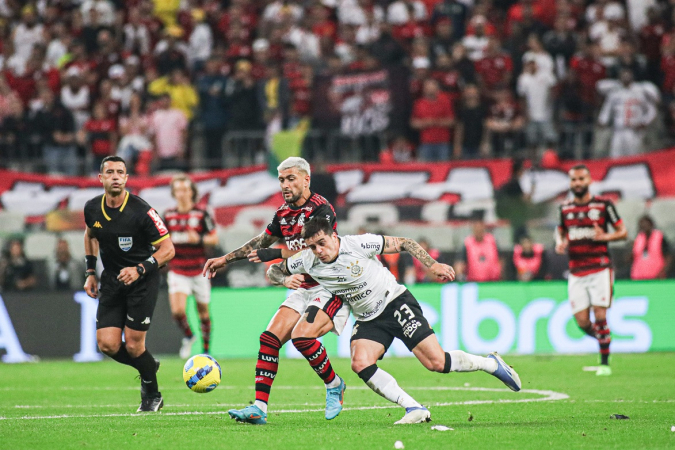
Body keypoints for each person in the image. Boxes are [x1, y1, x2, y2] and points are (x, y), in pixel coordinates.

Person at [263, 217, 521, 424]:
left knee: (436, 362)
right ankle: (413, 408)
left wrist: (432, 265)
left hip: (395, 302)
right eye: (312, 246)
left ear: (333, 236)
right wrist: (284, 280)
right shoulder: (307, 259)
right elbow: (274, 269)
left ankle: (490, 364)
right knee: (360, 362)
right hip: (367, 318)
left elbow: (405, 242)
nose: (318, 251)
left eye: (321, 243)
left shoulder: (357, 244)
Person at [203, 157, 350, 424]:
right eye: (281, 179)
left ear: (306, 179)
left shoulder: (322, 209)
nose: (285, 184)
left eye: (291, 178)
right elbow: (261, 241)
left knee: (301, 338)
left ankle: (334, 384)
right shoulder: (283, 213)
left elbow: (315, 251)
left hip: (330, 285)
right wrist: (225, 259)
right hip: (304, 285)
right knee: (269, 339)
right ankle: (259, 408)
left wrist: (273, 254)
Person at [83, 156, 175, 412]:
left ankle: (152, 395)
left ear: (126, 178)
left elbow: (168, 249)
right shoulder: (92, 208)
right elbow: (90, 235)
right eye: (109, 172)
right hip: (112, 280)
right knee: (107, 345)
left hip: (142, 281)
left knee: (135, 345)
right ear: (101, 178)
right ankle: (147, 364)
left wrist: (139, 269)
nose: (115, 176)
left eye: (120, 172)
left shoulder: (142, 211)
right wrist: (91, 271)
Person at [555, 165, 627, 376]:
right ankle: (605, 340)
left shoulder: (603, 205)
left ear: (589, 181)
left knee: (600, 315)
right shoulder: (565, 208)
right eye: (574, 180)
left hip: (599, 267)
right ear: (570, 183)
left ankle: (604, 362)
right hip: (576, 271)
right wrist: (561, 243)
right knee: (583, 322)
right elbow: (561, 232)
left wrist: (606, 237)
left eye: (581, 179)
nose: (577, 183)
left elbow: (623, 232)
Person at [164, 174, 218, 358]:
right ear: (174, 193)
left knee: (203, 313)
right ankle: (188, 336)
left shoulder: (202, 214)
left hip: (198, 269)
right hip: (178, 269)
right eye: (178, 190)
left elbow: (214, 238)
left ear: (192, 192)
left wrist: (200, 239)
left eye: (185, 189)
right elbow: (160, 240)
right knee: (178, 311)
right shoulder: (168, 216)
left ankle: (206, 352)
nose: (182, 194)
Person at [598, 68, 656, 158]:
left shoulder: (639, 91)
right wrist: (603, 120)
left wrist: (644, 122)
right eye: (623, 75)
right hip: (618, 130)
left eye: (627, 75)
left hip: (634, 131)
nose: (625, 78)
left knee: (634, 157)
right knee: (615, 157)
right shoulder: (615, 92)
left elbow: (651, 110)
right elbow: (607, 107)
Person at [630, 215, 671, 280]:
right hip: (638, 277)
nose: (644, 227)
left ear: (651, 225)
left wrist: (663, 271)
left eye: (645, 225)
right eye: (641, 226)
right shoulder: (638, 238)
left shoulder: (659, 237)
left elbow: (668, 256)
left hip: (656, 276)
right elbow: (632, 257)